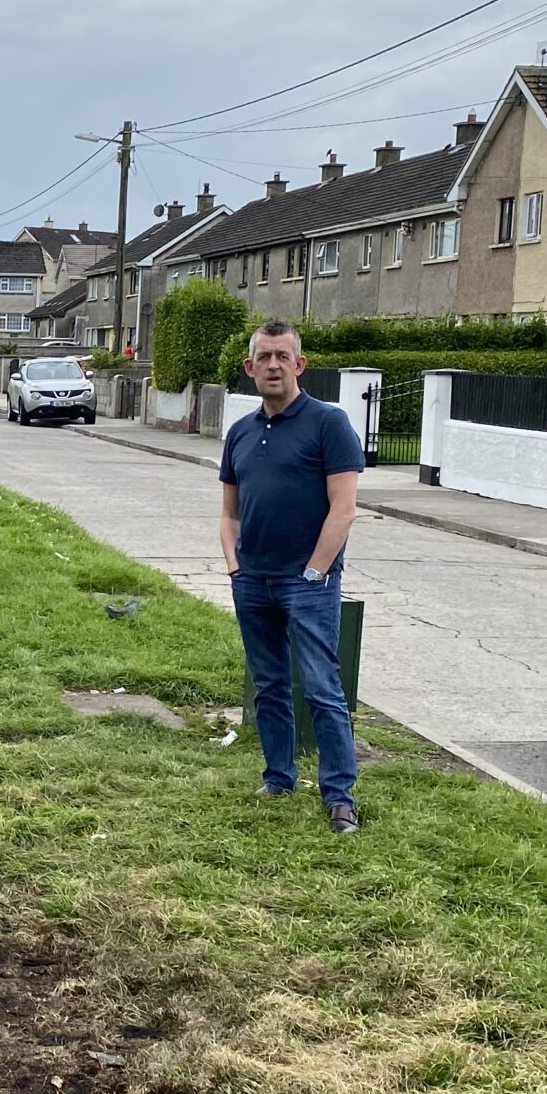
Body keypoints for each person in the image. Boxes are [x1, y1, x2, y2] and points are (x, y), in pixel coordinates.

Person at [218, 320, 364, 832]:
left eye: (283, 356)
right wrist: (235, 564)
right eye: (265, 357)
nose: (273, 365)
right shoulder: (239, 432)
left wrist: (315, 572)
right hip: (252, 580)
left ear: (299, 365)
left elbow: (343, 510)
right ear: (249, 367)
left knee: (323, 688)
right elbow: (229, 513)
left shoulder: (329, 423)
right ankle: (278, 778)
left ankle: (339, 796)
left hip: (308, 584)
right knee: (270, 686)